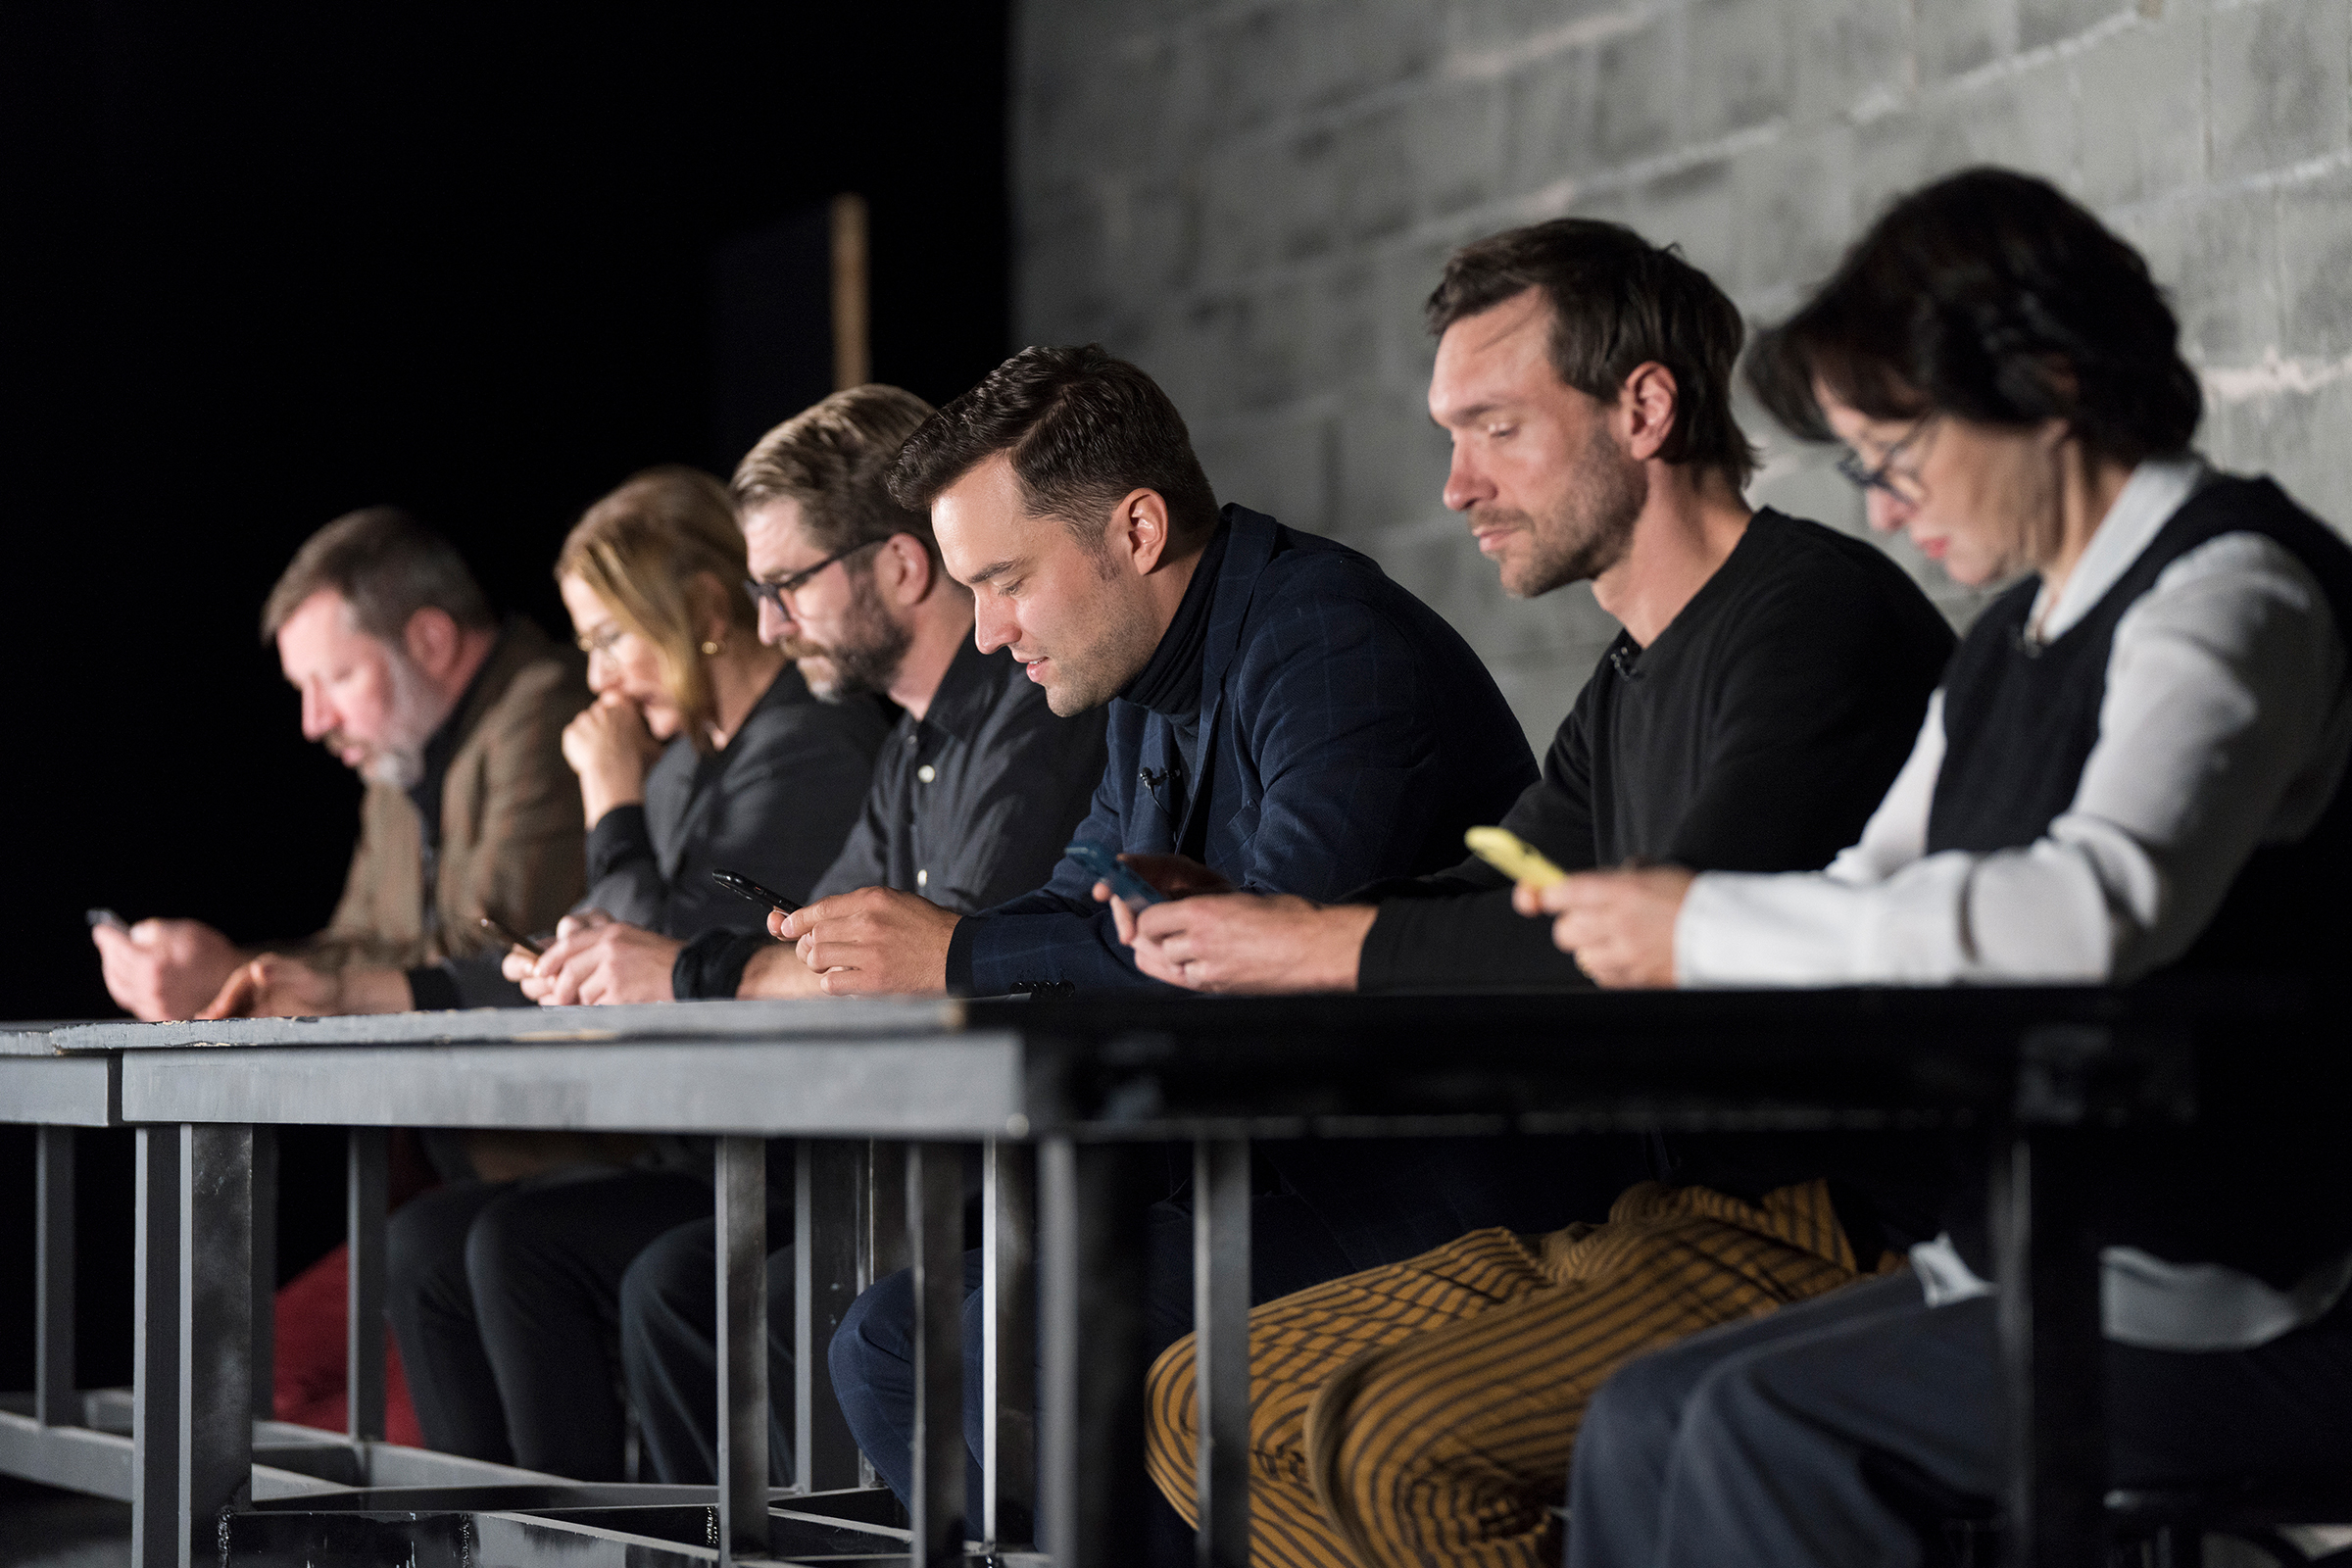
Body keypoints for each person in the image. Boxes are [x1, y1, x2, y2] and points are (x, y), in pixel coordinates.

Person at [1554, 168, 2352, 1568]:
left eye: (1897, 455)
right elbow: (1867, 886)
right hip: (2039, 1258)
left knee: (1761, 1428)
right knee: (1643, 1415)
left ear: (2049, 387)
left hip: (2249, 1296)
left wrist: (1708, 927)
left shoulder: (2234, 595)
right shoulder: (2005, 645)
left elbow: (2091, 909)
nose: (1881, 510)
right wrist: (1667, 928)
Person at [1136, 220, 1959, 1568]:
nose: (1457, 484)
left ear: (1644, 409)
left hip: (1842, 1234)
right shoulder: (1629, 675)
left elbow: (1674, 943)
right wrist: (1251, 930)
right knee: (1194, 1401)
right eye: (1451, 435)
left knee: (1391, 1444)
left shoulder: (1815, 621)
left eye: (1497, 428)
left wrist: (1316, 948)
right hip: (1660, 1222)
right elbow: (1490, 897)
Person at [814, 344, 1542, 1528]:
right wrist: (919, 945)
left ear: (1138, 530)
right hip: (1258, 1177)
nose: (987, 633)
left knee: (1012, 1335)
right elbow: (1080, 904)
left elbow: (1258, 964)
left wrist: (952, 955)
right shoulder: (1146, 675)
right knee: (883, 1342)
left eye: (1005, 580)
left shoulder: (1332, 644)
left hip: (1432, 1196)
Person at [615, 383, 1109, 1486]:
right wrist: (753, 967)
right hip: (929, 1158)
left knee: (734, 1291)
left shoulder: (1032, 710)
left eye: (786, 586)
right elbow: (820, 943)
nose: (768, 625)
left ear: (898, 566)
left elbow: (926, 962)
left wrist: (702, 970)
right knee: (672, 1283)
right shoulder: (909, 747)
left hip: (1032, 1168)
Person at [383, 465, 891, 1479]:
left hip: (799, 1166)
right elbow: (627, 944)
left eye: (612, 639)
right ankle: (485, 1539)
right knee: (428, 1239)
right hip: (700, 1150)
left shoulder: (812, 739)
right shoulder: (684, 763)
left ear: (705, 611)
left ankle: (590, 1538)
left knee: (519, 1243)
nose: (601, 680)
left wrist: (609, 799)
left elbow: (675, 961)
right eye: (586, 647)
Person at [91, 506, 588, 1020]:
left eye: (337, 678)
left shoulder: (547, 708)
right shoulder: (398, 754)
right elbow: (356, 946)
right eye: (303, 689)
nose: (314, 722)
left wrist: (231, 975)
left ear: (431, 642)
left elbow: (499, 957)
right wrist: (237, 974)